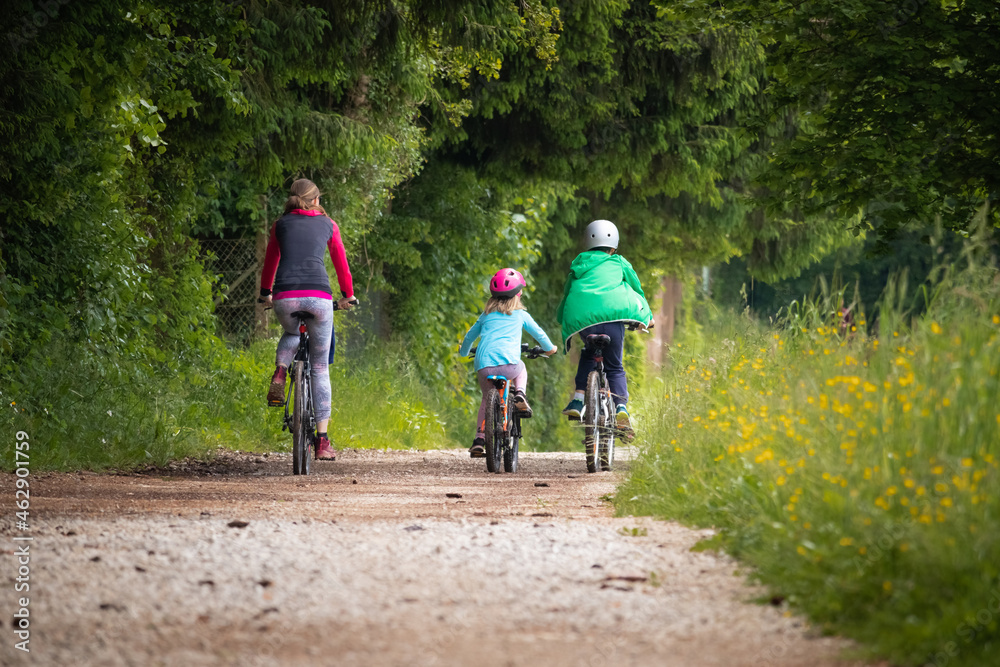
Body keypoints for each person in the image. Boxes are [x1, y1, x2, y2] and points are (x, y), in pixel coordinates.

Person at [259, 178, 357, 461]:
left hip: (285, 296)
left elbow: (270, 261)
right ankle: (323, 441)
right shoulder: (328, 224)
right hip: (319, 297)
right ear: (315, 200)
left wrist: (266, 293)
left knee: (291, 332)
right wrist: (347, 295)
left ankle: (280, 369)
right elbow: (340, 262)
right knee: (319, 366)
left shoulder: (280, 224)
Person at [556, 219, 652, 435]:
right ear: (613, 245)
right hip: (613, 321)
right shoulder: (618, 262)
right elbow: (636, 290)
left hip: (584, 322)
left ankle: (578, 400)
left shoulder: (578, 264)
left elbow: (568, 294)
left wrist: (562, 317)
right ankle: (621, 408)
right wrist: (646, 317)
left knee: (588, 353)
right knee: (614, 366)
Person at [459, 268, 557, 458]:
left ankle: (479, 439)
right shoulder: (521, 315)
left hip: (484, 365)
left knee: (487, 399)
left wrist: (463, 351)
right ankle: (520, 394)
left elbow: (470, 336)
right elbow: (539, 334)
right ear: (519, 294)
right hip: (510, 365)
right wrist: (549, 348)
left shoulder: (485, 316)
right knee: (521, 368)